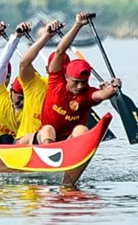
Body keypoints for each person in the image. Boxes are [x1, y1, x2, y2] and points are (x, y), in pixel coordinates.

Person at [37, 12, 121, 144]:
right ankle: (49, 154)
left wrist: (113, 88)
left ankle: (67, 154)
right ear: (66, 77)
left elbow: (101, 95)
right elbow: (60, 51)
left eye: (83, 82)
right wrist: (78, 25)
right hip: (45, 139)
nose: (80, 86)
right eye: (76, 82)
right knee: (48, 129)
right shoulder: (56, 82)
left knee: (81, 129)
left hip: (69, 143)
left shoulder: (87, 94)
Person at [14, 18, 64, 144]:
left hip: (55, 143)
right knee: (47, 130)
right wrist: (47, 36)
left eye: (64, 70)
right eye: (58, 69)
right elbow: (24, 63)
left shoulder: (72, 89)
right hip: (24, 143)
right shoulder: (35, 83)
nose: (61, 73)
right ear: (48, 69)